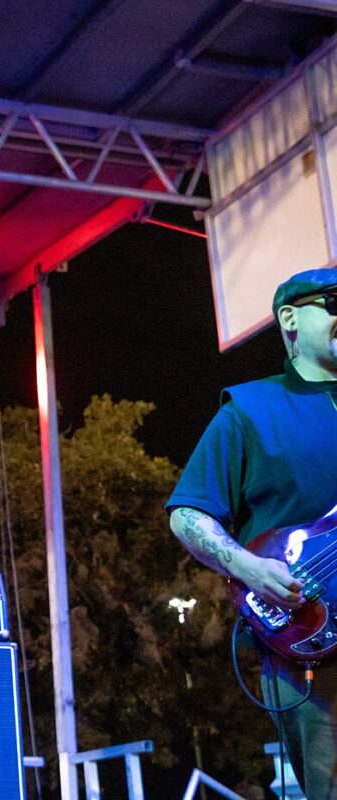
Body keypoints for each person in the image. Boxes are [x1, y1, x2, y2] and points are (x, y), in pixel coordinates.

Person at [167, 268, 337, 800]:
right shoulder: (251, 411)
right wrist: (248, 567)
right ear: (290, 319)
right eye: (333, 302)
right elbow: (187, 513)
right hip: (315, 641)